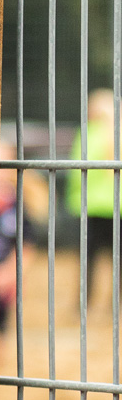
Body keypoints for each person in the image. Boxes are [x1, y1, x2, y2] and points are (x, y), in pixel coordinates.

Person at [65, 88, 118, 301]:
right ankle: (115, 305)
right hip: (117, 206)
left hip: (90, 205)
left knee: (88, 260)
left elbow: (77, 169)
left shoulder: (89, 132)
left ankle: (85, 302)